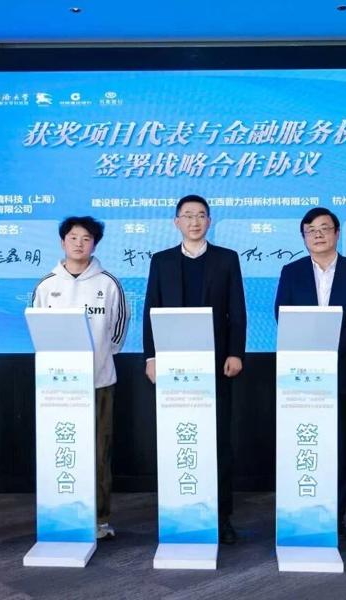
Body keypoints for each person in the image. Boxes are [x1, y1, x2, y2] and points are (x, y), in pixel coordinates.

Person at [143, 194, 247, 545]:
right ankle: (179, 510)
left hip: (216, 364)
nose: (194, 221)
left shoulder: (227, 259)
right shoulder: (161, 261)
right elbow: (151, 310)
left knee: (218, 441)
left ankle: (222, 516)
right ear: (176, 222)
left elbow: (237, 310)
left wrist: (235, 353)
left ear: (209, 221)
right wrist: (151, 358)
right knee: (179, 437)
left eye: (201, 215)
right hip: (174, 365)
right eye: (187, 215)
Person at [274, 207, 346, 535]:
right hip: (303, 372)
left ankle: (336, 515)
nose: (318, 235)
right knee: (307, 442)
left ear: (337, 233)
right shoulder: (292, 271)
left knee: (341, 447)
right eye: (311, 230)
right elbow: (282, 313)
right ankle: (304, 509)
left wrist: (333, 348)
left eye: (324, 228)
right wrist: (311, 351)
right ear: (304, 237)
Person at [32, 216, 129, 541]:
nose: (79, 243)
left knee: (99, 451)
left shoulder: (108, 283)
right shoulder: (47, 285)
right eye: (73, 237)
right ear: (63, 242)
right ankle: (59, 514)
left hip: (99, 381)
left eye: (86, 238)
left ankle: (100, 518)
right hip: (58, 385)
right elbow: (37, 330)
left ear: (94, 244)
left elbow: (118, 331)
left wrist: (99, 358)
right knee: (61, 448)